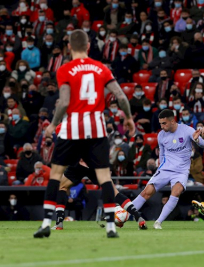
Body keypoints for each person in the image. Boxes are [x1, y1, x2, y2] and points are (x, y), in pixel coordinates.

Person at [34, 29, 135, 238]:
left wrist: (53, 124)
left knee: (55, 175)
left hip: (72, 129)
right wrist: (128, 118)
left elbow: (63, 102)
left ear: (69, 47)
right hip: (96, 129)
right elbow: (121, 96)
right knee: (105, 178)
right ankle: (110, 226)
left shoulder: (65, 69)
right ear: (88, 46)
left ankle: (46, 223)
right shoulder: (101, 68)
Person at [130, 109, 204, 229]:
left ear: (172, 121)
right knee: (146, 192)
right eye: (160, 123)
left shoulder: (186, 130)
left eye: (164, 123)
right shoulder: (161, 135)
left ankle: (158, 222)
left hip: (181, 171)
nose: (161, 126)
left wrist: (196, 139)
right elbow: (162, 154)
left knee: (175, 192)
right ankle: (121, 216)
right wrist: (159, 169)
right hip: (165, 169)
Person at [52, 160, 147, 230]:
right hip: (95, 163)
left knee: (61, 187)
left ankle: (59, 223)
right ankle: (139, 217)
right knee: (114, 192)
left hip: (79, 162)